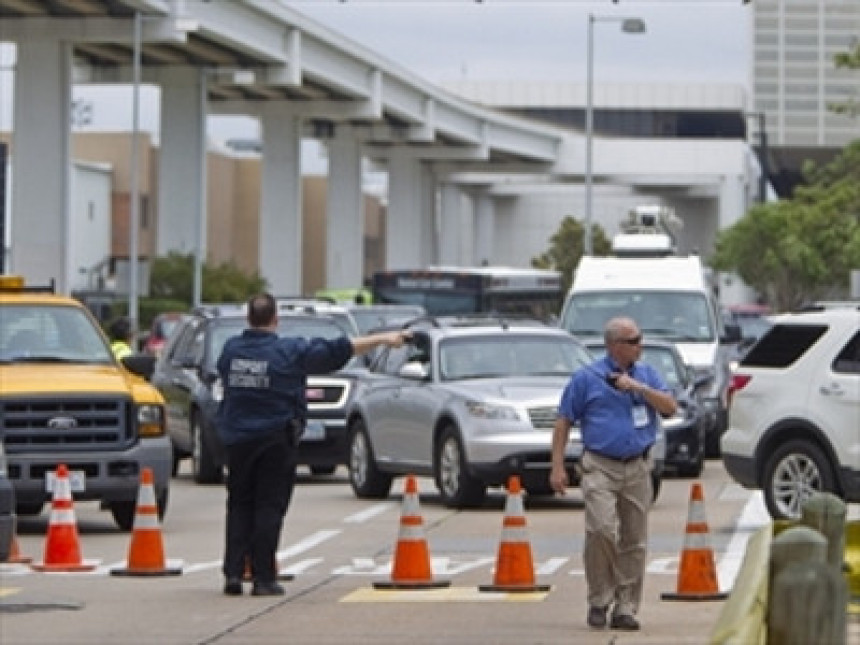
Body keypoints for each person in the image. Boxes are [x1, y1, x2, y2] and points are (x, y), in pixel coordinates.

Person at [216, 292, 410, 597]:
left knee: (239, 504)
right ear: (275, 320)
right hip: (274, 439)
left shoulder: (230, 351)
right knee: (268, 507)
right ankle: (264, 577)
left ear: (249, 319)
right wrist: (384, 339)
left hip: (238, 440)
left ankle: (233, 573)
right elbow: (338, 350)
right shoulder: (287, 352)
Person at [550, 316, 677, 632]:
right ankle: (599, 598)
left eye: (640, 339)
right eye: (633, 341)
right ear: (614, 346)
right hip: (600, 465)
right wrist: (556, 467)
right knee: (601, 530)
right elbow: (563, 421)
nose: (640, 346)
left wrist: (638, 387)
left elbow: (670, 407)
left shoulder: (647, 375)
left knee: (634, 539)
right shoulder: (587, 378)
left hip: (636, 465)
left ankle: (626, 606)